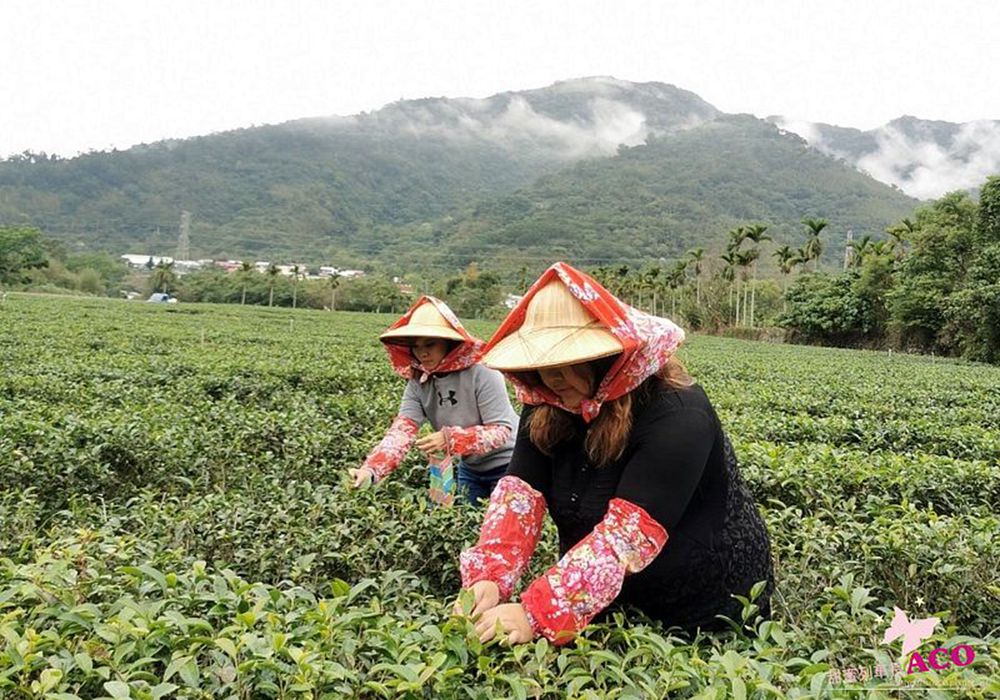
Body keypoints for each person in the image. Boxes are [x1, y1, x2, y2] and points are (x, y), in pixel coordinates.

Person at [454, 262, 773, 645]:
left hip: (705, 601)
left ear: (608, 357)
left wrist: (536, 613)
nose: (551, 379)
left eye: (567, 364)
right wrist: (491, 575)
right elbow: (519, 496)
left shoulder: (679, 413)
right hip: (602, 595)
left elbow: (625, 538)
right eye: (542, 366)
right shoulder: (546, 404)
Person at [348, 295, 519, 505]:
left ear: (449, 343)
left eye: (430, 344)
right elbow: (401, 432)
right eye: (416, 346)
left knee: (498, 530)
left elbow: (501, 430)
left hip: (510, 464)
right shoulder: (418, 382)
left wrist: (451, 439)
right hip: (471, 468)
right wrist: (371, 471)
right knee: (461, 524)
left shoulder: (482, 372)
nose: (422, 353)